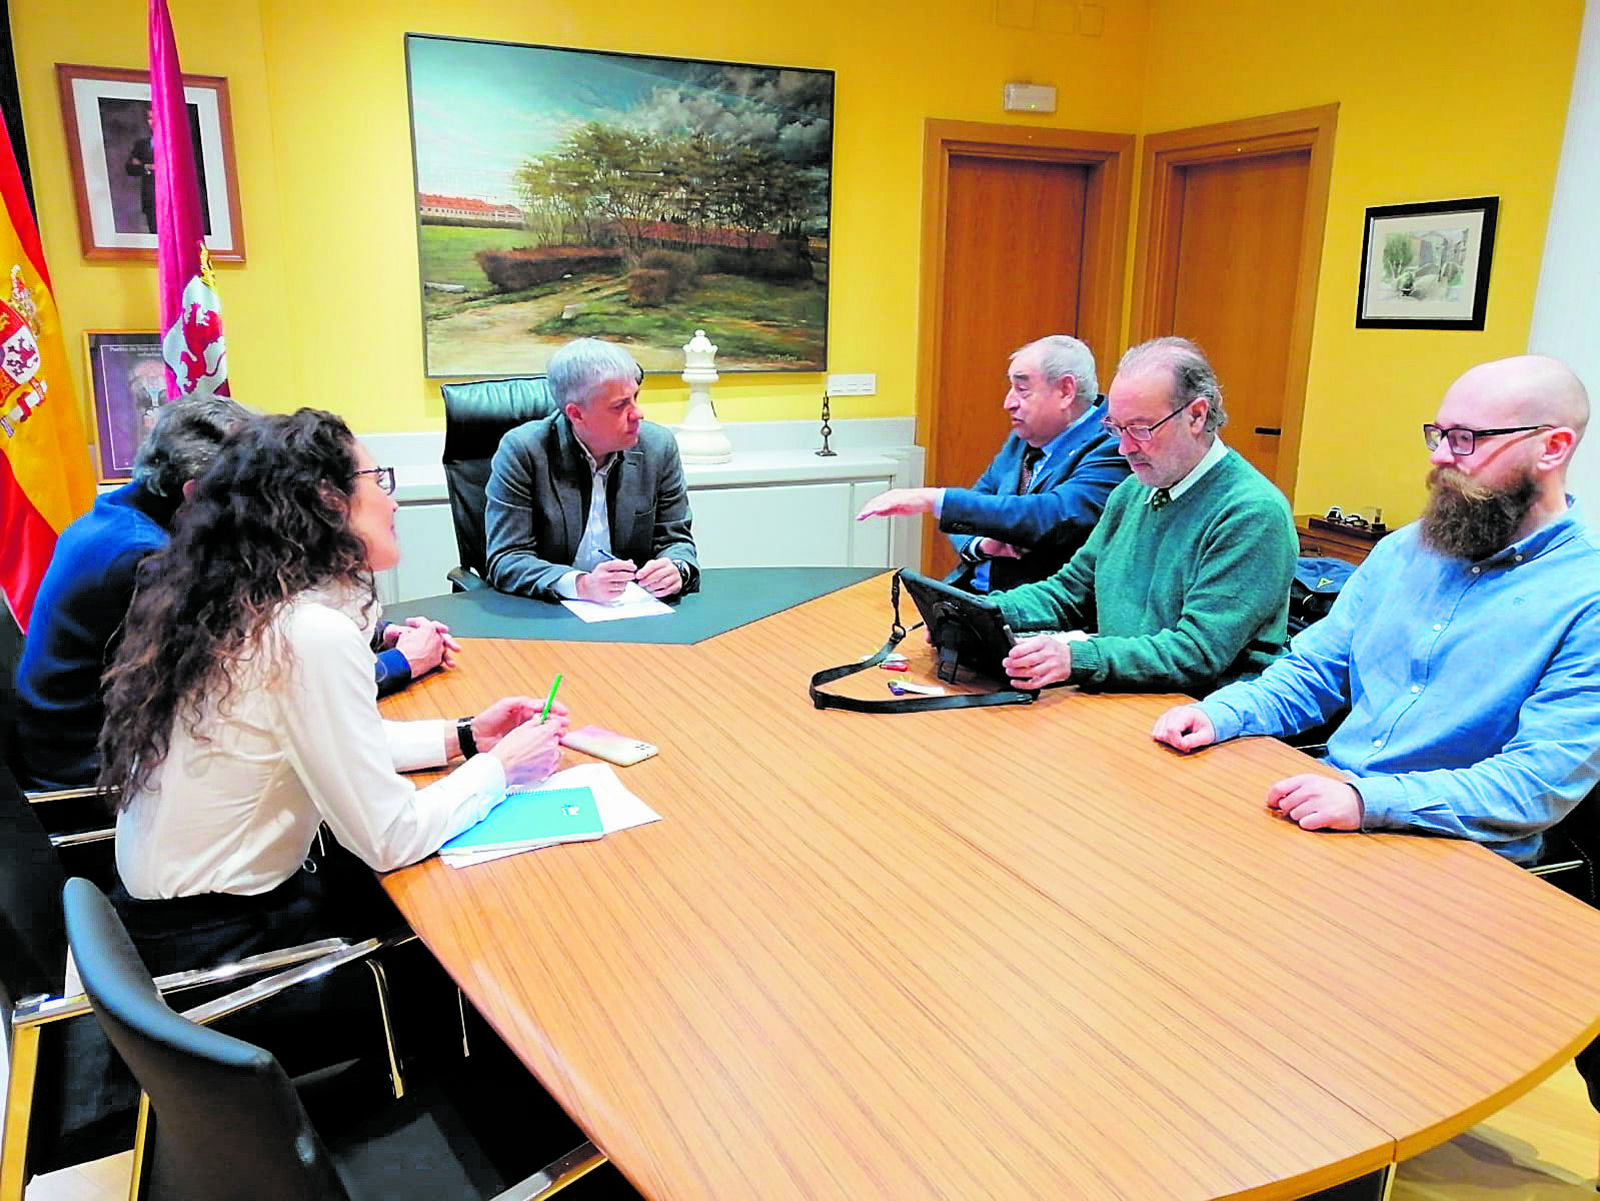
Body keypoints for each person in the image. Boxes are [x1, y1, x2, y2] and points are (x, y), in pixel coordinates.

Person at [97, 409, 570, 971]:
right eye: (378, 482)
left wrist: (465, 737)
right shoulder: (306, 632)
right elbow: (391, 838)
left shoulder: (241, 603)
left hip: (164, 925)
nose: (393, 502)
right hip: (223, 954)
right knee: (489, 940)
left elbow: (326, 743)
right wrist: (503, 769)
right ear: (327, 501)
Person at [1151, 355, 1600, 864]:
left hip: (1461, 857)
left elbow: (1536, 783)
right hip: (1335, 811)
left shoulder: (1586, 595)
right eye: (1439, 435)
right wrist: (1221, 714)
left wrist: (1369, 801)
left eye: (1467, 440)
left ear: (1553, 448)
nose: (1441, 457)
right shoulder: (1405, 551)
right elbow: (1316, 672)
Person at [11, 400, 449, 790]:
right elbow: (266, 688)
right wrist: (403, 662)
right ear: (198, 492)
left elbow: (261, 625)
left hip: (94, 748)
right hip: (95, 776)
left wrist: (380, 633)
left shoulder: (125, 516)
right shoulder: (143, 559)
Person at [993, 336, 1297, 693]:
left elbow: (1195, 653)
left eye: (1140, 429)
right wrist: (978, 612)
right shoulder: (1134, 491)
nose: (1124, 448)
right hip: (1129, 696)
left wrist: (1076, 658)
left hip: (1203, 716)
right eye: (1116, 428)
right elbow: (1068, 592)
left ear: (1196, 415)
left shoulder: (1251, 513)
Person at [854, 334, 1128, 592]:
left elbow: (1052, 514)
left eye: (1022, 389)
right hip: (969, 593)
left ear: (1066, 391)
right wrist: (983, 545)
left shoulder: (1111, 446)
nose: (1008, 402)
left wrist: (934, 499)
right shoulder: (1026, 436)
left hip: (1034, 614)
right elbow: (977, 505)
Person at [484, 337, 699, 602]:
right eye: (620, 405)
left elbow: (676, 541)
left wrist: (676, 568)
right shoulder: (524, 451)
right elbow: (507, 559)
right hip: (547, 615)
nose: (638, 413)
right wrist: (581, 585)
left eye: (635, 397)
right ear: (576, 414)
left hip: (634, 612)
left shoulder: (658, 447)